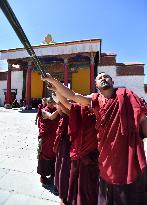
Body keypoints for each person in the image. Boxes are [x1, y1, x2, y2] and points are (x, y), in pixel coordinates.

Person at [41, 72, 147, 205]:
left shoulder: (126, 95)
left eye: (106, 76)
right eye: (99, 78)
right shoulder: (95, 100)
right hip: (106, 154)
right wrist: (55, 82)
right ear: (96, 86)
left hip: (126, 153)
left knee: (129, 194)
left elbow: (142, 119)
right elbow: (72, 96)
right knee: (106, 193)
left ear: (112, 82)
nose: (103, 78)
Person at [54, 92, 99, 205]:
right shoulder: (80, 110)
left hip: (93, 155)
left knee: (89, 186)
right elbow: (65, 104)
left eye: (90, 100)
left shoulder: (101, 112)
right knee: (73, 180)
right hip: (78, 151)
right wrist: (56, 89)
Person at [37, 97, 60, 186]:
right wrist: (59, 108)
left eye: (52, 102)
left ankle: (53, 173)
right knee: (45, 155)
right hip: (46, 138)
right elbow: (51, 117)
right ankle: (43, 176)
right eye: (49, 102)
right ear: (46, 103)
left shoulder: (55, 109)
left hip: (55, 136)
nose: (51, 103)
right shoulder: (43, 111)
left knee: (54, 155)